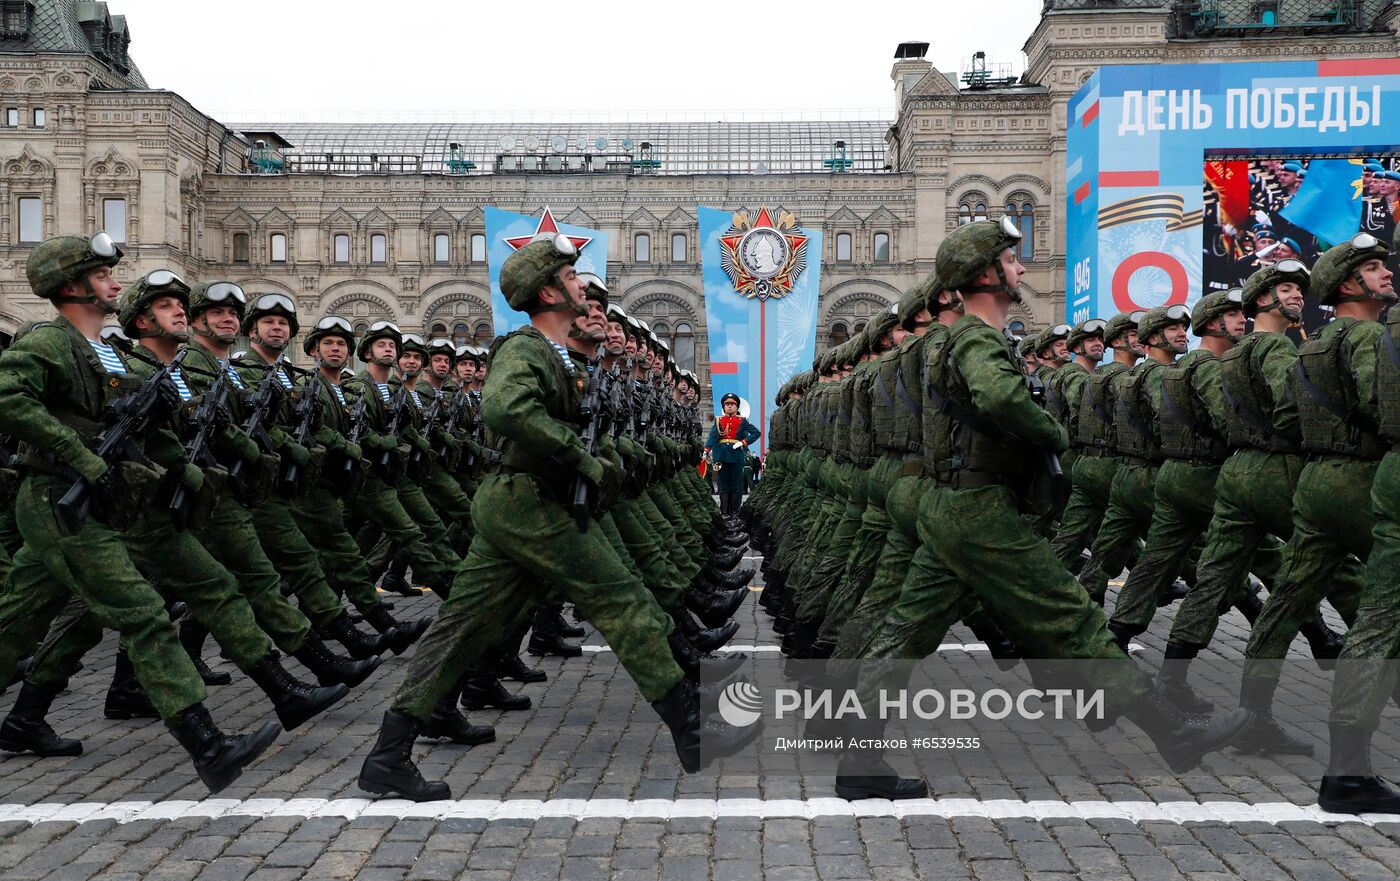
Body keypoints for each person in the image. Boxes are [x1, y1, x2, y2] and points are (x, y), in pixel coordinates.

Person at [836, 218, 1251, 800]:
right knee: (1070, 614)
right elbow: (1000, 396)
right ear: (985, 273)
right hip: (979, 510)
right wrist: (1052, 435)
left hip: (953, 504)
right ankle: (1171, 726)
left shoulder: (954, 340)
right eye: (1011, 259)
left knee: (906, 630)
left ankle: (856, 758)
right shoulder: (976, 338)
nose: (1022, 267)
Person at [357, 234, 759, 801]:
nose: (582, 286)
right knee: (623, 600)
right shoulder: (524, 349)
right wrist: (581, 458)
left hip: (523, 502)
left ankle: (389, 754)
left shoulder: (552, 354)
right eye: (571, 278)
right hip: (532, 502)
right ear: (548, 291)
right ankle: (691, 727)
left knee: (463, 624)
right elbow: (505, 408)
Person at [0, 233, 279, 792]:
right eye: (103, 275)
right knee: (144, 612)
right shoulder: (49, 342)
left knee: (17, 620)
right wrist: (82, 454)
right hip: (58, 498)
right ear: (73, 285)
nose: (115, 283)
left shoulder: (100, 348)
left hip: (89, 502)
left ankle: (23, 720)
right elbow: (8, 395)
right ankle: (208, 745)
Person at [706, 393, 761, 516]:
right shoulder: (718, 420)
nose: (729, 406)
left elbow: (756, 433)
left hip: (736, 455)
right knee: (723, 484)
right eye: (727, 404)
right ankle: (724, 513)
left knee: (736, 484)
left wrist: (743, 442)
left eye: (732, 404)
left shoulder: (742, 420)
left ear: (737, 407)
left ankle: (735, 513)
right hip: (721, 456)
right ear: (724, 407)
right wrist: (706, 450)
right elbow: (713, 436)